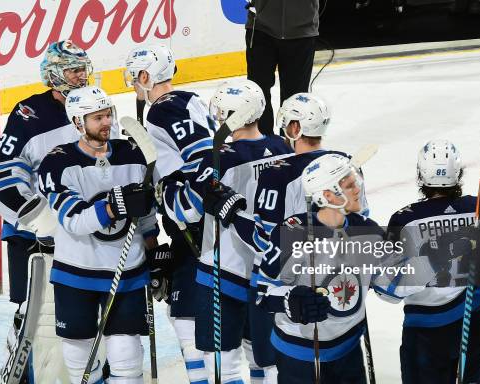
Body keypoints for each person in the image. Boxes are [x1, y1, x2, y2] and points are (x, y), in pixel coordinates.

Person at [161, 78, 292, 383]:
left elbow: (184, 209)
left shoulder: (217, 159)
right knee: (265, 358)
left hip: (224, 272)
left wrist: (169, 186)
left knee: (222, 362)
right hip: (272, 270)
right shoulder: (283, 148)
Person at [0, 39, 95, 381]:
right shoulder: (28, 114)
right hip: (33, 235)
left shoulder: (95, 106)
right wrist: (37, 218)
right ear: (53, 74)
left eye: (83, 69)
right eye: (73, 70)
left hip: (81, 230)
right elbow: (0, 174)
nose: (81, 76)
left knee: (80, 312)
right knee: (34, 316)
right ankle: (21, 370)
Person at [37, 85, 159, 384]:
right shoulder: (58, 163)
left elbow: (146, 215)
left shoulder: (133, 154)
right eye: (97, 118)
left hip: (127, 270)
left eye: (108, 115)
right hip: (76, 271)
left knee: (127, 354)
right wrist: (115, 206)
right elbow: (75, 220)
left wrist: (153, 253)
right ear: (79, 122)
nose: (106, 122)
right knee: (79, 357)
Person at [253, 153, 406, 384]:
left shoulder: (369, 232)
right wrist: (291, 300)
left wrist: (429, 266)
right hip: (299, 356)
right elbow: (263, 293)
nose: (358, 189)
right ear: (327, 195)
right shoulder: (292, 233)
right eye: (349, 184)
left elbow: (391, 288)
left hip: (349, 351)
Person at [379, 140, 480, 384]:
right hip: (474, 325)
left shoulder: (404, 220)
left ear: (420, 174)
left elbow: (388, 291)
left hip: (425, 337)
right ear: (459, 173)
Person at [123, 43, 213, 384]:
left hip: (196, 226)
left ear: (146, 76)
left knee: (186, 318)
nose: (133, 84)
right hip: (195, 225)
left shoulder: (164, 108)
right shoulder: (188, 101)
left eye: (135, 77)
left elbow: (204, 160)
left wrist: (184, 203)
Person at [245, 0, 320, 135]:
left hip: (302, 32)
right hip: (260, 29)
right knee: (257, 92)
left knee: (295, 97)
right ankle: (261, 143)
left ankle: (290, 146)